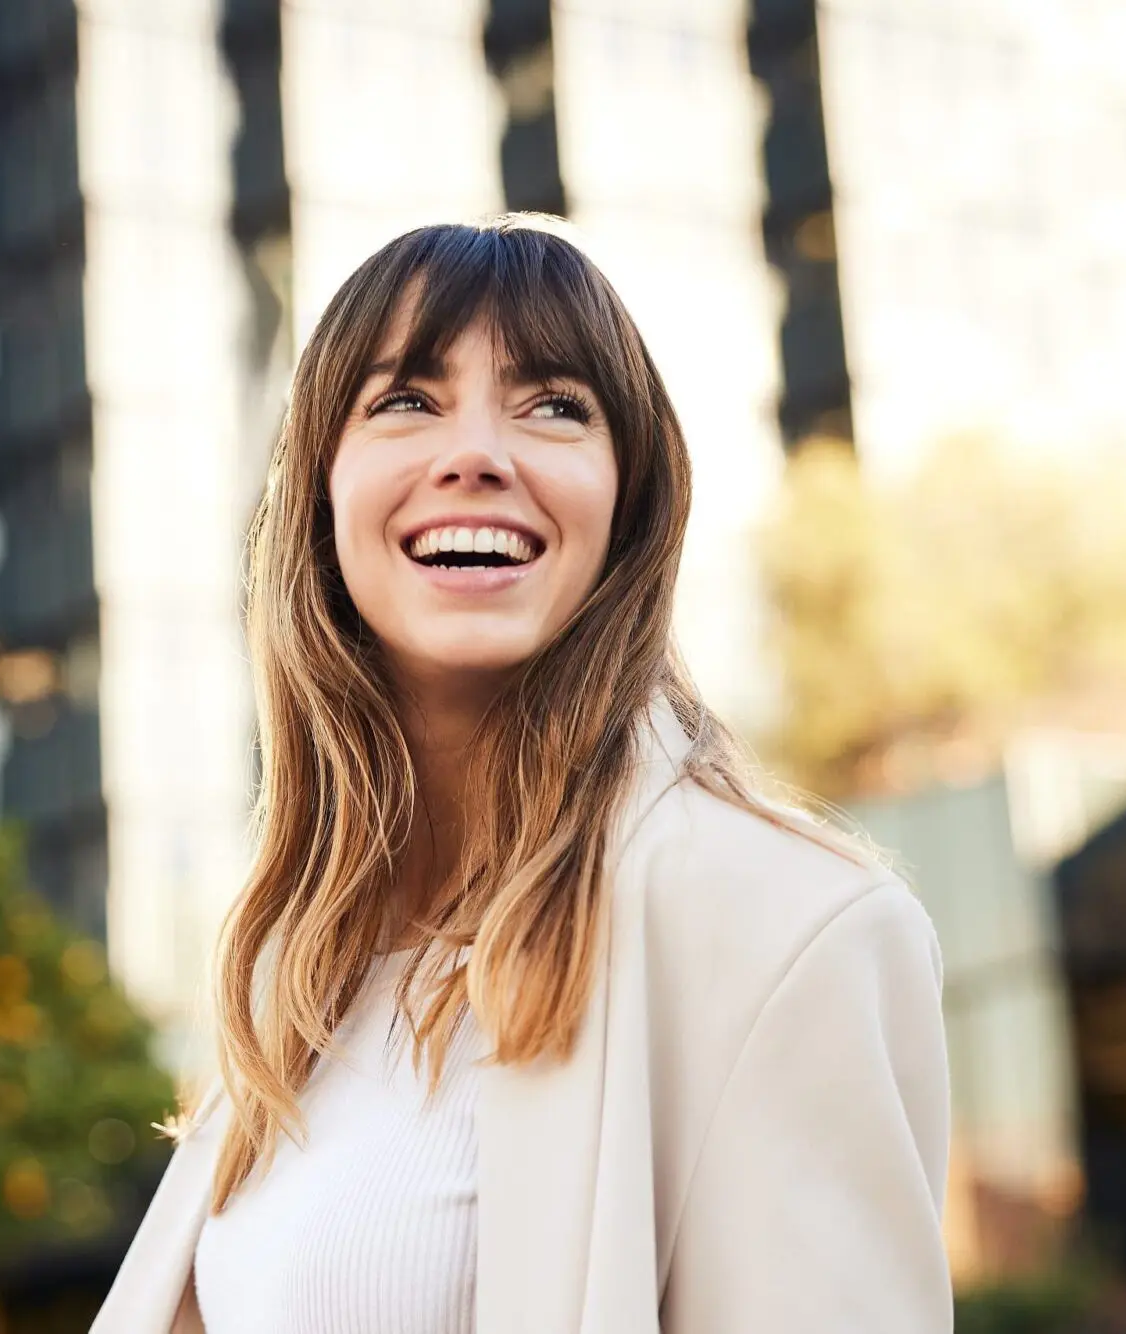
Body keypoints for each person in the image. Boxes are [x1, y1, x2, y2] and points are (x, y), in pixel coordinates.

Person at [92, 216, 951, 1333]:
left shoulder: (790, 927)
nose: (478, 452)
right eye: (406, 399)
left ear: (625, 502)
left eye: (553, 405)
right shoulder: (295, 973)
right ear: (319, 493)